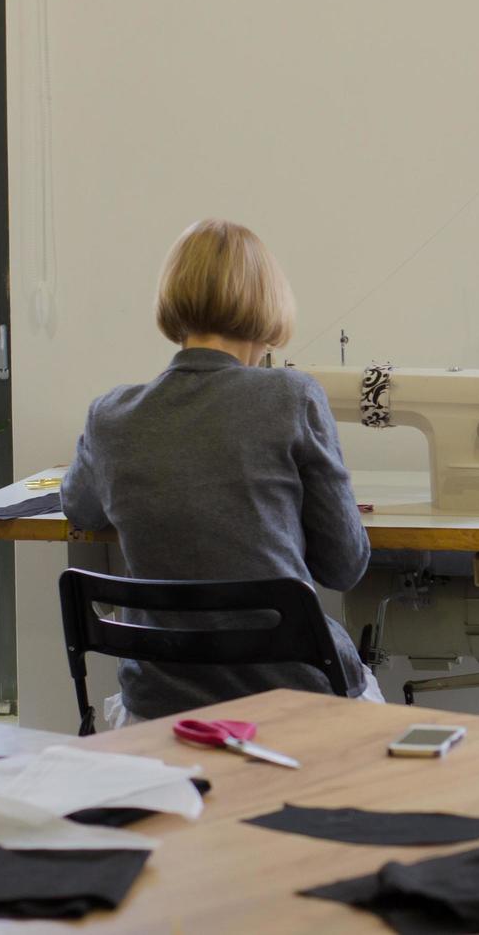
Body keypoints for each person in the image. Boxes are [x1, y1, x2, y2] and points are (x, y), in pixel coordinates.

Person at [62, 218, 382, 725]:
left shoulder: (110, 415)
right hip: (290, 699)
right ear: (269, 303)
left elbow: (79, 507)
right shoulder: (292, 396)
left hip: (159, 707)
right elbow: (344, 567)